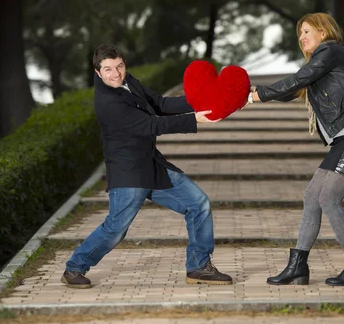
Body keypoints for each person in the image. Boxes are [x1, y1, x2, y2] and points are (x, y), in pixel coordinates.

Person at [61, 44, 233, 288]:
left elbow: (160, 104)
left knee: (198, 204)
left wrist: (202, 101)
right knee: (116, 229)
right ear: (98, 73)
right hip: (128, 172)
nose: (116, 73)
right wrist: (196, 119)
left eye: (119, 66)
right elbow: (151, 124)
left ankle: (198, 267)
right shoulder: (108, 102)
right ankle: (74, 268)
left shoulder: (129, 82)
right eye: (108, 69)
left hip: (152, 165)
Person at [246, 13, 344, 287]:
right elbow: (291, 89)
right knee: (312, 197)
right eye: (300, 34)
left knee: (328, 199)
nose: (302, 37)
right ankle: (298, 267)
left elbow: (298, 78)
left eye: (307, 31)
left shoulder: (330, 51)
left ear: (323, 31)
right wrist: (252, 94)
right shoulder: (322, 63)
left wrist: (260, 93)